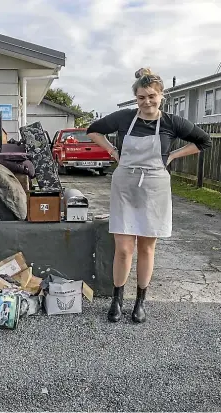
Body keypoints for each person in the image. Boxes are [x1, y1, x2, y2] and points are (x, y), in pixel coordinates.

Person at [86, 68, 212, 323]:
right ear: (136, 98)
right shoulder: (123, 118)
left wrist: (173, 156)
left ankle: (140, 301)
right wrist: (112, 151)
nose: (146, 102)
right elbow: (93, 130)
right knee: (123, 249)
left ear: (161, 96)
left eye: (151, 96)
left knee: (146, 247)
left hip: (155, 187)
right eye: (141, 97)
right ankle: (117, 299)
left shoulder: (171, 123)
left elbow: (203, 141)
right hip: (125, 185)